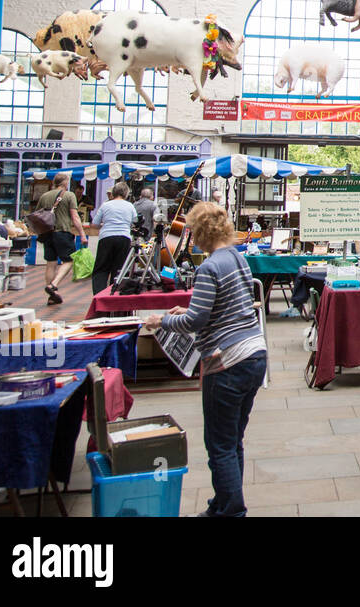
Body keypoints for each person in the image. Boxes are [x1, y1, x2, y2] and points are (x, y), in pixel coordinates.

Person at [144, 202, 266, 517]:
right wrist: (189, 311)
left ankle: (231, 510)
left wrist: (162, 321)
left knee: (219, 446)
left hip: (227, 361)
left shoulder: (210, 266)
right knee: (233, 439)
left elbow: (196, 321)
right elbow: (226, 305)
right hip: (254, 352)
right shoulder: (237, 258)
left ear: (201, 232)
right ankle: (224, 502)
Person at [35, 173, 86, 305]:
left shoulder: (45, 196)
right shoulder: (69, 195)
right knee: (69, 260)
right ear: (65, 183)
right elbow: (75, 217)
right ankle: (53, 285)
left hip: (47, 233)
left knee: (50, 263)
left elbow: (38, 215)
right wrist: (82, 233)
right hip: (63, 232)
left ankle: (52, 296)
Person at [91, 183, 137, 294]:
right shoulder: (130, 206)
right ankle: (114, 292)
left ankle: (99, 294)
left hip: (106, 237)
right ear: (126, 193)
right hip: (124, 237)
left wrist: (106, 223)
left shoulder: (105, 205)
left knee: (101, 268)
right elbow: (135, 222)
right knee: (119, 269)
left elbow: (95, 224)